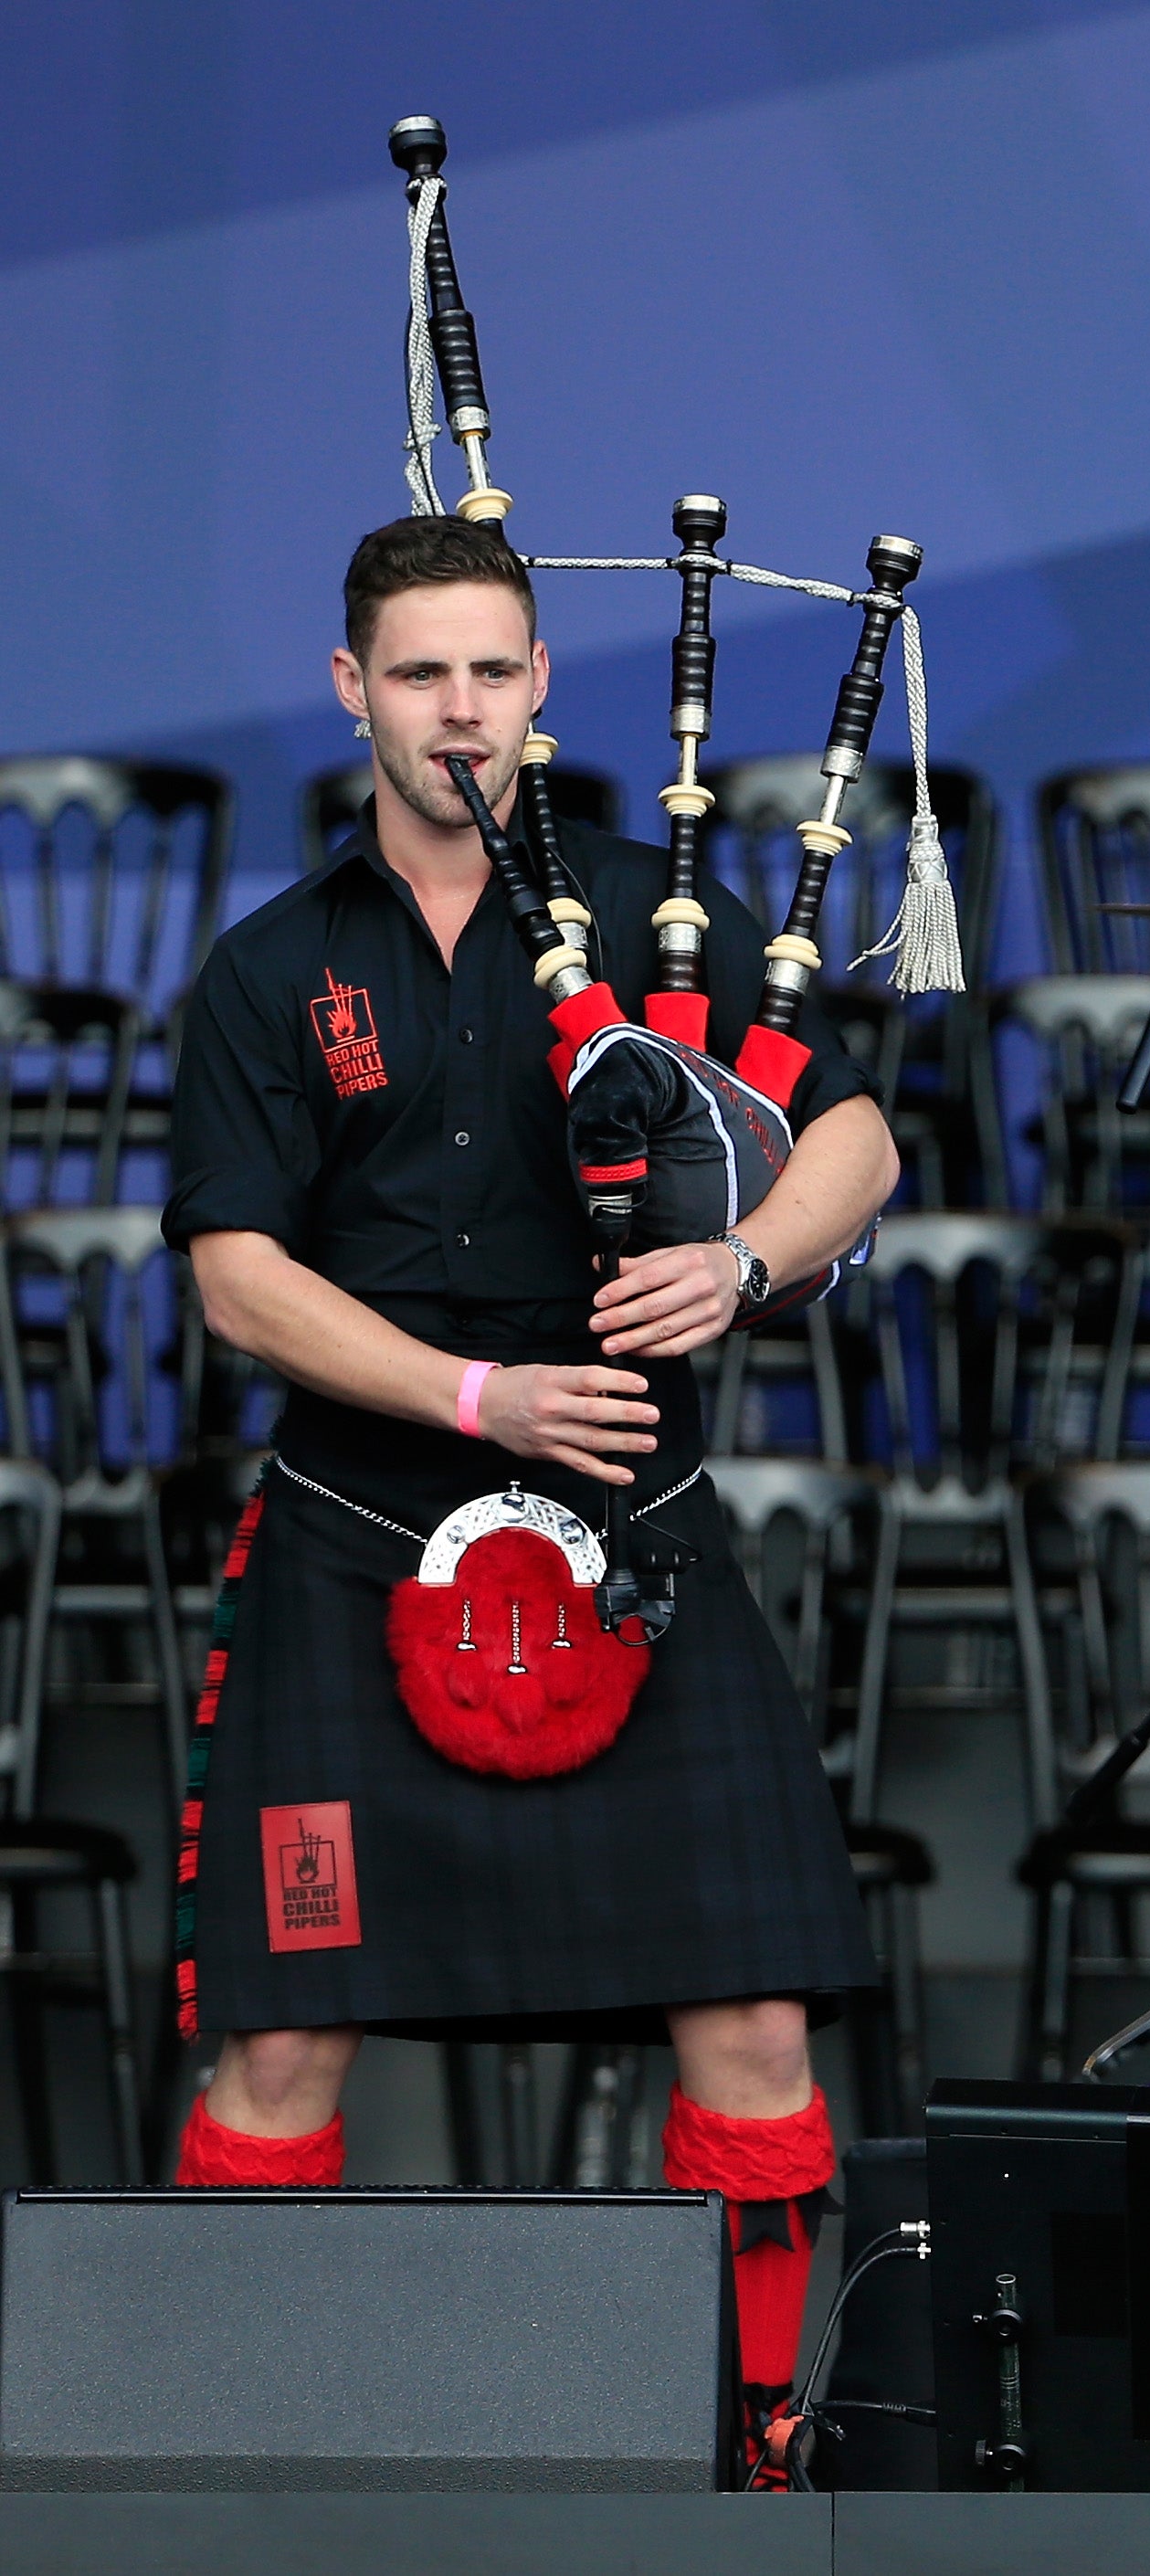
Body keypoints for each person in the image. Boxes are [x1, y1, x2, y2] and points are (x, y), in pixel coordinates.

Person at [164, 515, 902, 2479]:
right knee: (282, 2038)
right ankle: (236, 2461)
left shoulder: (661, 942)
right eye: (419, 675)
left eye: (492, 671)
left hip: (631, 1541)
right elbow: (241, 1279)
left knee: (751, 2025)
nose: (460, 711)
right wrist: (480, 1393)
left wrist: (744, 1264)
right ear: (353, 693)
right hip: (357, 1528)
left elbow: (855, 1136)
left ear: (542, 689)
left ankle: (757, 2460)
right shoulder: (269, 970)